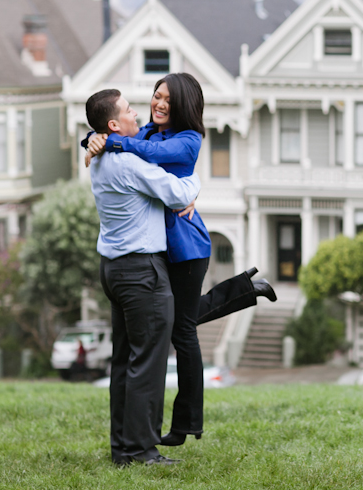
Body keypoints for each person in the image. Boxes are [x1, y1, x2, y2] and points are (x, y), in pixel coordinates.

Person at [84, 72, 276, 447]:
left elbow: (153, 156)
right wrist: (93, 139)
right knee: (172, 320)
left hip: (185, 244)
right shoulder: (146, 134)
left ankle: (186, 424)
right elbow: (115, 136)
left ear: (183, 106)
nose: (158, 104)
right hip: (154, 249)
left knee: (182, 331)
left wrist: (118, 144)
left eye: (168, 100)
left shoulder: (188, 140)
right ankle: (243, 289)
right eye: (156, 96)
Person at [86, 88, 201, 466]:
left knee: (124, 362)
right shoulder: (130, 165)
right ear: (115, 124)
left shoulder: (100, 159)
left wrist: (91, 139)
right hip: (141, 274)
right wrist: (195, 187)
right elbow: (180, 192)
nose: (140, 114)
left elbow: (91, 142)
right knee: (147, 364)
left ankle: (123, 448)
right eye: (130, 110)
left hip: (114, 271)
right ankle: (140, 451)